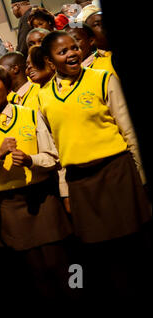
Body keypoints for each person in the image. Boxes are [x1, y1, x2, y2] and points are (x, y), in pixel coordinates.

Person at [38, 31, 152, 300]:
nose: (72, 54)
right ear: (50, 60)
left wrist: (141, 177)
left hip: (117, 172)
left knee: (135, 246)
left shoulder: (102, 79)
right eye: (62, 52)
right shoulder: (43, 97)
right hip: (80, 182)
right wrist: (65, 191)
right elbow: (56, 150)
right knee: (101, 254)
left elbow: (129, 131)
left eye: (74, 48)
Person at [0, 64, 74, 300]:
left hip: (42, 198)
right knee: (35, 272)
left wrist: (30, 160)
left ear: (7, 87)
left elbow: (52, 157)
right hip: (10, 205)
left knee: (62, 264)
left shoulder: (29, 114)